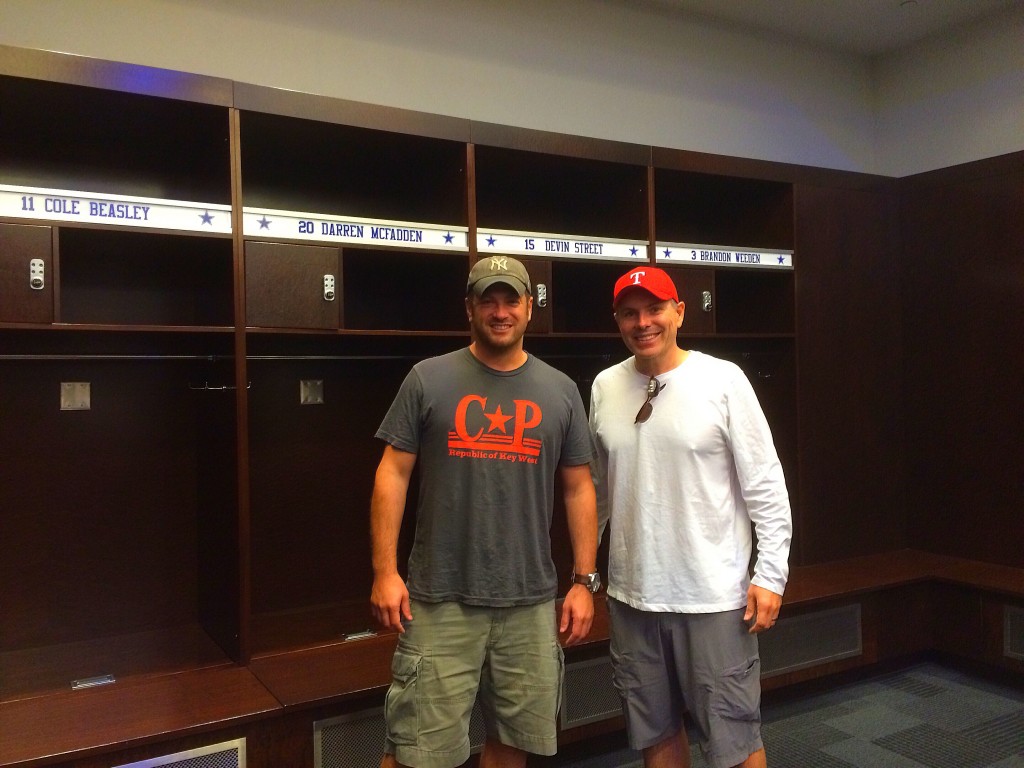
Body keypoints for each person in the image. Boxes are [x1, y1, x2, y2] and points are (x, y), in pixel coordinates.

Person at [370, 255, 600, 768]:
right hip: (438, 598)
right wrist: (385, 572)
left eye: (511, 300)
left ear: (529, 307)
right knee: (415, 751)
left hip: (529, 602)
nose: (501, 311)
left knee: (512, 743)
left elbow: (579, 488)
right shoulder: (427, 379)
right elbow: (392, 474)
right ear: (469, 309)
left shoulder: (561, 390)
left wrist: (585, 580)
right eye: (488, 300)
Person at [589, 266, 792, 768]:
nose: (643, 323)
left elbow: (765, 483)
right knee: (655, 733)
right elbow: (598, 491)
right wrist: (583, 574)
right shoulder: (604, 386)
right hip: (633, 597)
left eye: (655, 309)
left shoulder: (723, 380)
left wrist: (771, 575)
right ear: (618, 321)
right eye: (629, 313)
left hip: (713, 597)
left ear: (679, 312)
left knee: (733, 740)